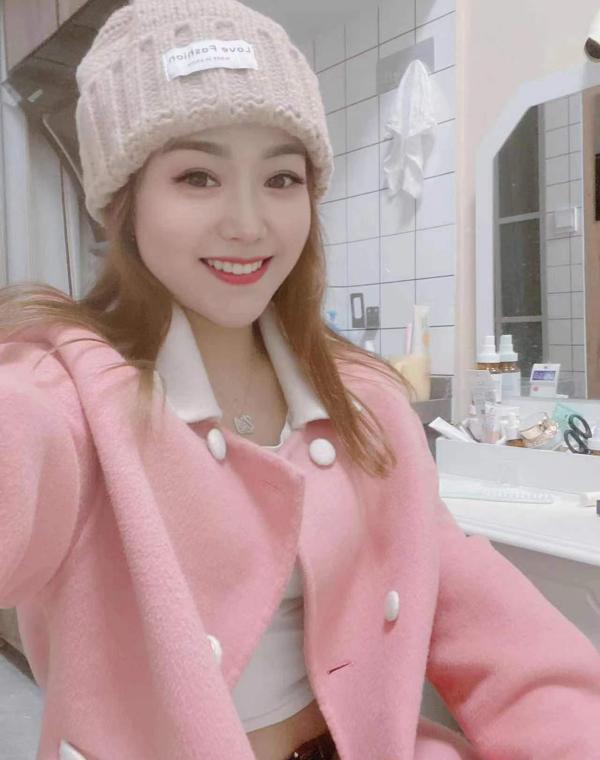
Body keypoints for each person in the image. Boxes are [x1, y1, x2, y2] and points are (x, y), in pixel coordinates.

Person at [1, 1, 600, 758]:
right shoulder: (61, 395)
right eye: (197, 176)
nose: (249, 223)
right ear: (124, 203)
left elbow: (500, 636)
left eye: (281, 178)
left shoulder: (361, 402)